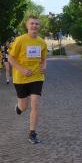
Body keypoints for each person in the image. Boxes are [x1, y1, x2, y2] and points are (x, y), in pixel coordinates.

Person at [8, 16, 48, 144]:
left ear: (39, 26)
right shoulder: (20, 40)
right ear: (27, 26)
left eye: (37, 24)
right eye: (32, 23)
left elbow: (44, 59)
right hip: (21, 78)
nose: (34, 26)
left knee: (35, 104)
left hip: (37, 77)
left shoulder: (42, 42)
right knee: (23, 107)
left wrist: (44, 66)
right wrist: (22, 69)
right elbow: (10, 58)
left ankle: (32, 133)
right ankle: (19, 108)